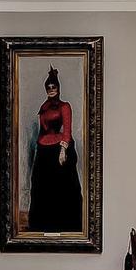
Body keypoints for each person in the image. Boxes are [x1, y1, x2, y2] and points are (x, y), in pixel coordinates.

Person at [26, 67, 83, 233]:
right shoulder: (43, 108)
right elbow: (42, 132)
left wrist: (63, 150)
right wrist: (39, 149)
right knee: (40, 186)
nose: (51, 90)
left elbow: (67, 131)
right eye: (49, 88)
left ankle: (65, 225)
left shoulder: (64, 107)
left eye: (54, 87)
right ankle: (42, 225)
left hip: (59, 149)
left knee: (63, 189)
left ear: (58, 89)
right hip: (44, 150)